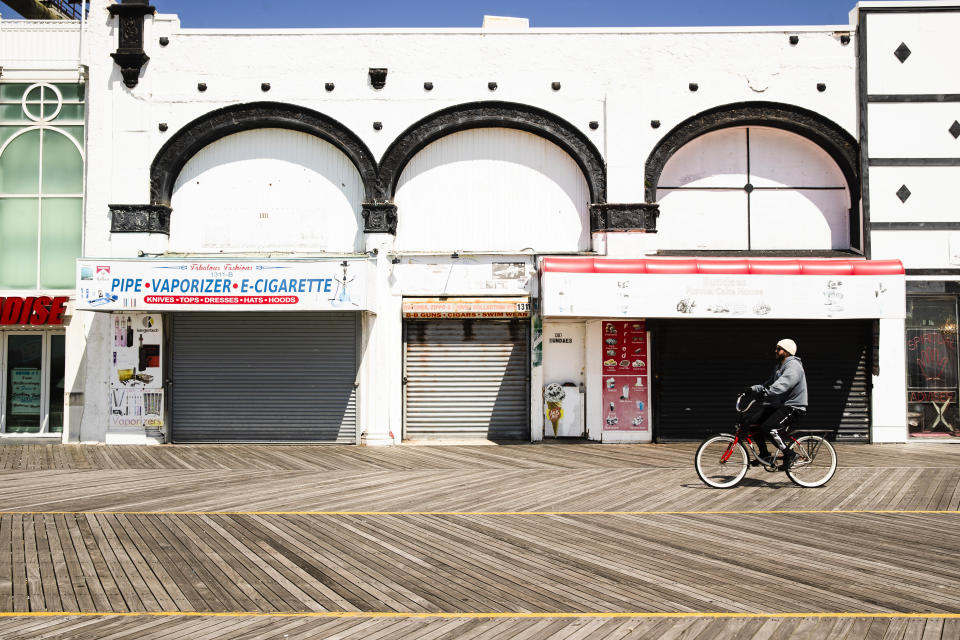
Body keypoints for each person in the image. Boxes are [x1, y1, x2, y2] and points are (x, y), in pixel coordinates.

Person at [746, 338, 807, 469]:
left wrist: (767, 392)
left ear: (787, 351)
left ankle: (789, 454)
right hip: (781, 405)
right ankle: (764, 454)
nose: (776, 350)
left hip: (794, 406)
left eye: (778, 348)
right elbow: (768, 384)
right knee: (753, 423)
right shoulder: (779, 367)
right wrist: (752, 389)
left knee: (768, 428)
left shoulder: (793, 366)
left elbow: (783, 384)